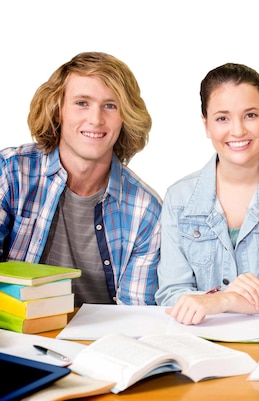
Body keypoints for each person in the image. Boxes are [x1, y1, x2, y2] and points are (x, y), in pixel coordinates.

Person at [155, 63, 259, 324]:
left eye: (250, 115)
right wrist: (219, 301)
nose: (238, 130)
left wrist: (227, 301)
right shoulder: (179, 199)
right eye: (222, 118)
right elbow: (171, 292)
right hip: (199, 341)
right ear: (206, 124)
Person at [0, 52, 161, 306]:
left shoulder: (145, 211)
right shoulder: (11, 173)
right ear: (58, 109)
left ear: (125, 118)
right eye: (82, 103)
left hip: (101, 342)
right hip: (15, 337)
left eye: (110, 105)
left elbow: (136, 316)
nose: (96, 119)